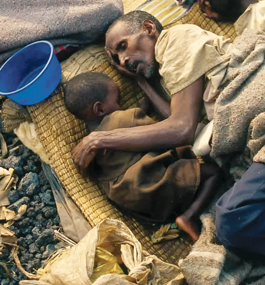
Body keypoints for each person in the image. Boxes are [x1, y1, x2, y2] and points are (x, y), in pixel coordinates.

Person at [65, 72, 221, 241]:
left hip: (136, 205)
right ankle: (188, 216)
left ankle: (177, 217)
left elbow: (131, 130)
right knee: (213, 172)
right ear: (100, 108)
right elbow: (164, 130)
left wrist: (142, 105)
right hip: (148, 183)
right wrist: (147, 88)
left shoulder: (86, 148)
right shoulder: (121, 118)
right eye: (117, 101)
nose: (121, 106)